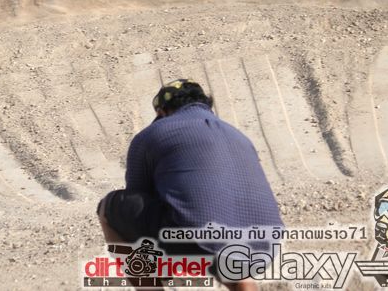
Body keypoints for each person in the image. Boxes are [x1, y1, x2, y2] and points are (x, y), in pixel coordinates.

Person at [97, 79, 283, 291]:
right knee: (226, 244)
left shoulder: (152, 134)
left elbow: (136, 197)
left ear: (162, 111)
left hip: (197, 239)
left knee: (108, 209)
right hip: (264, 246)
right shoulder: (239, 136)